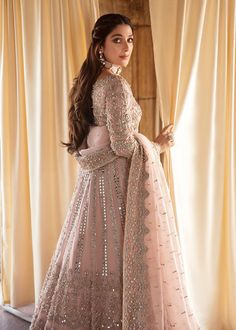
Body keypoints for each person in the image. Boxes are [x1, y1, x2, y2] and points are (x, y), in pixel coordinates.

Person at [30, 13, 201, 330]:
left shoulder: (91, 83)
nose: (126, 46)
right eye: (117, 39)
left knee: (95, 251)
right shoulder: (116, 86)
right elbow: (123, 145)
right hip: (117, 182)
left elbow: (101, 138)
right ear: (100, 46)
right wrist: (158, 145)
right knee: (121, 255)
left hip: (94, 183)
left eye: (130, 39)